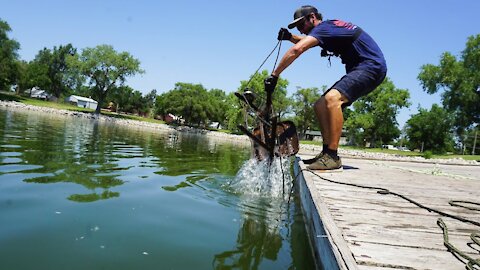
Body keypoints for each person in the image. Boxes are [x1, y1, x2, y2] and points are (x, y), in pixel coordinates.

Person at [264, 5, 387, 171]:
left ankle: (332, 156)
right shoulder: (328, 29)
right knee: (320, 105)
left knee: (332, 99)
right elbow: (304, 42)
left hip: (371, 67)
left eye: (302, 24)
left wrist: (275, 74)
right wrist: (290, 36)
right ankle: (326, 153)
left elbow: (298, 49)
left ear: (312, 17)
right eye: (297, 27)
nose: (301, 29)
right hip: (364, 67)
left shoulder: (324, 28)